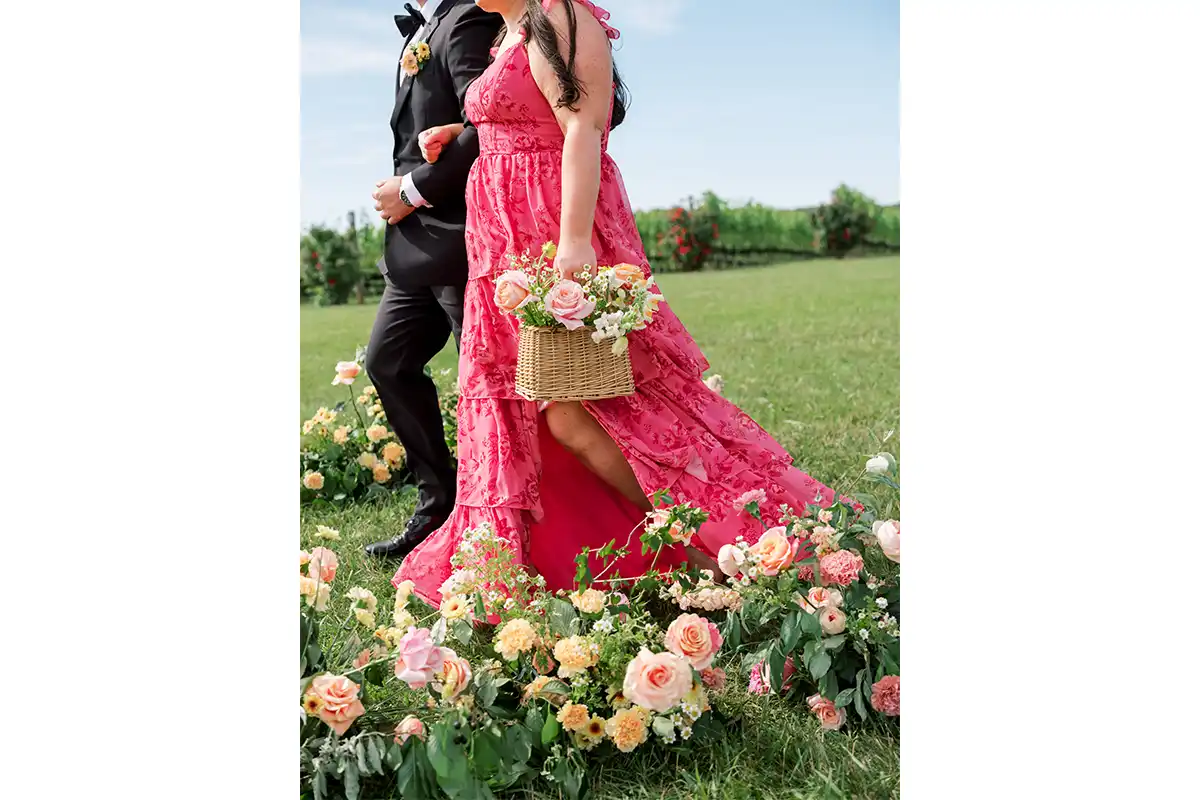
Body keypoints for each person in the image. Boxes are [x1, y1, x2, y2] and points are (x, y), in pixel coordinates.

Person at [394, 0, 835, 604]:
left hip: (548, 236)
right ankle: (668, 553)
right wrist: (470, 132)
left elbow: (582, 125)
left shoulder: (563, 14)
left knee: (587, 409)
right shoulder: (510, 29)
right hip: (503, 249)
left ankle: (723, 550)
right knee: (546, 412)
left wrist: (574, 245)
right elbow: (533, 114)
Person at [362, 0, 503, 560]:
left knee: (489, 382)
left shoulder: (469, 17)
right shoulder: (423, 29)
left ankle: (494, 508)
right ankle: (437, 505)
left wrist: (414, 188)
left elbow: (491, 125)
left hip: (465, 237)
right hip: (414, 245)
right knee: (387, 362)